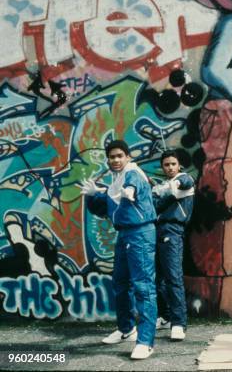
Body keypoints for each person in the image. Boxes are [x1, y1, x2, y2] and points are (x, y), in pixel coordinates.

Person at [78, 140, 157, 360]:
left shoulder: (133, 173)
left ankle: (145, 341)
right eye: (111, 157)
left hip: (140, 233)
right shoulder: (116, 179)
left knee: (143, 286)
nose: (115, 160)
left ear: (128, 157)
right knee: (121, 283)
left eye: (120, 156)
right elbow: (110, 200)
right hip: (124, 234)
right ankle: (127, 330)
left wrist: (129, 191)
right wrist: (96, 194)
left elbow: (133, 186)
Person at [152, 150, 194, 341]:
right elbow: (156, 203)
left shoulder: (184, 179)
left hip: (173, 232)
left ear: (179, 166)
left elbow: (186, 180)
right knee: (159, 279)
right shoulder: (164, 186)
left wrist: (174, 184)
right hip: (157, 232)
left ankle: (179, 323)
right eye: (166, 165)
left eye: (172, 164)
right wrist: (160, 191)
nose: (169, 167)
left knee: (173, 278)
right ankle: (165, 317)